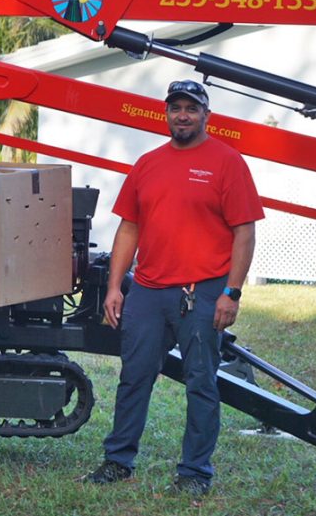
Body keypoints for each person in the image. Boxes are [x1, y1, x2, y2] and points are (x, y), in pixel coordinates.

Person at [85, 80, 264, 497]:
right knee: (134, 378)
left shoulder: (227, 162)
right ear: (166, 113)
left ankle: (195, 473)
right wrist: (115, 287)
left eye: (191, 108)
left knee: (201, 382)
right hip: (147, 291)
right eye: (175, 108)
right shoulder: (148, 163)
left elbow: (244, 232)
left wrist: (231, 292)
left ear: (206, 114)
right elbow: (129, 227)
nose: (182, 115)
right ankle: (118, 462)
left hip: (201, 291)